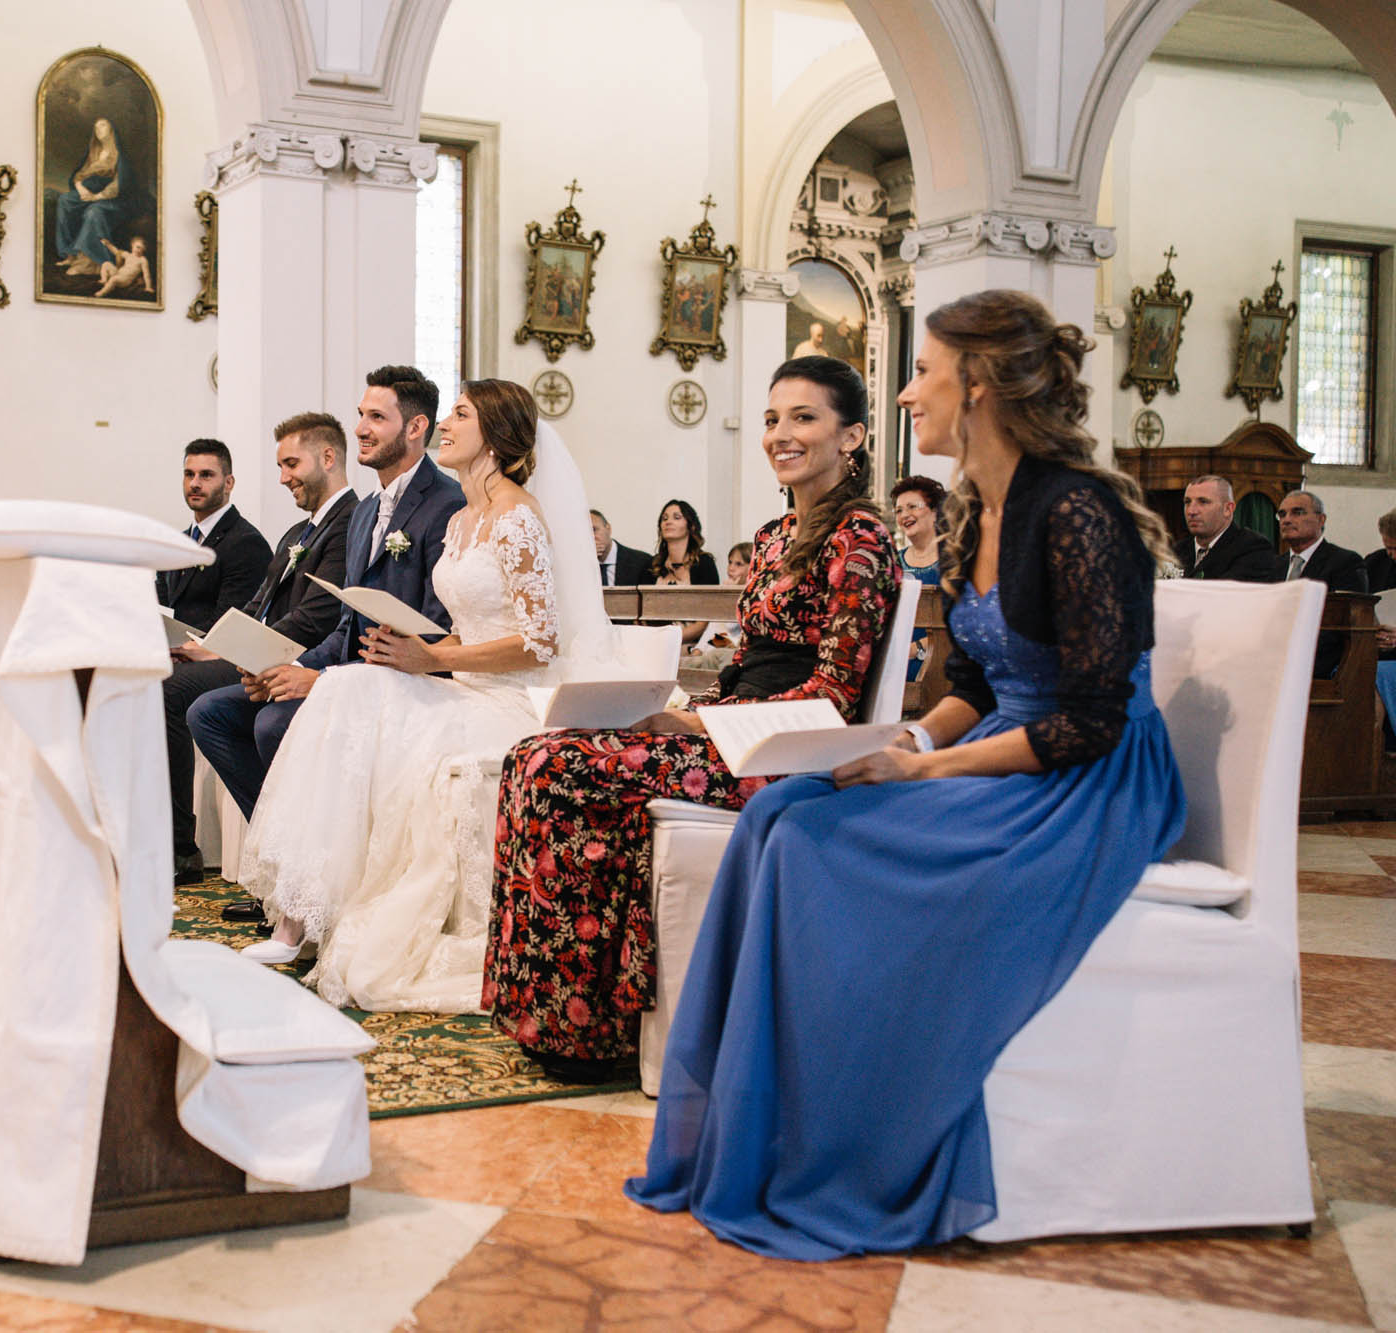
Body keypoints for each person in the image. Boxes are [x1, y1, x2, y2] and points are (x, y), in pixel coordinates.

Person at [627, 289, 1185, 1260]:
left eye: (920, 372)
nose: (903, 397)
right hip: (995, 751)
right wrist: (911, 749)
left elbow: (1087, 720)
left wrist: (926, 773)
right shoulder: (977, 508)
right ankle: (754, 1128)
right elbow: (969, 682)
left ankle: (840, 1141)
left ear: (974, 385)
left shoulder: (1075, 509)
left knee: (807, 841)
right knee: (780, 813)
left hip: (1084, 780)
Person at [485, 357, 900, 1082]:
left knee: (560, 768)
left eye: (804, 418)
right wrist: (687, 710)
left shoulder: (859, 539)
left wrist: (701, 726)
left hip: (785, 752)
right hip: (734, 725)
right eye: (773, 418)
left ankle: (583, 1027)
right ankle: (551, 1012)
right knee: (532, 751)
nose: (780, 433)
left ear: (853, 436)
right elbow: (751, 661)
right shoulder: (775, 534)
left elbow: (833, 696)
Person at [234, 379, 620, 1017]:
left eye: (461, 416)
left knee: (354, 695)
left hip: (509, 702)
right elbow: (470, 623)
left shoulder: (519, 516)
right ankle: (300, 916)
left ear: (494, 436)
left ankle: (310, 921)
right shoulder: (466, 518)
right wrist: (412, 650)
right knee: (347, 685)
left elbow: (540, 641)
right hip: (459, 682)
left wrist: (433, 659)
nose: (446, 425)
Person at [188, 366, 461, 834]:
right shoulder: (367, 513)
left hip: (407, 679)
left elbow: (434, 630)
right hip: (349, 672)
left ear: (416, 428)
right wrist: (286, 672)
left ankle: (307, 849)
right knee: (210, 712)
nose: (360, 428)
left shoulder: (447, 504)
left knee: (273, 723)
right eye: (360, 415)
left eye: (376, 416)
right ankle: (279, 847)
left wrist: (321, 680)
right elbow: (343, 628)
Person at [167, 414, 357, 890]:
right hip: (261, 658)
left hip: (308, 661)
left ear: (328, 458)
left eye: (291, 464)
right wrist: (219, 646)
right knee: (204, 711)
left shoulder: (351, 521)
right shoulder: (296, 534)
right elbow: (256, 606)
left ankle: (285, 853)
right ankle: (276, 848)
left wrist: (242, 656)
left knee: (207, 706)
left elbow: (317, 616)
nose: (282, 477)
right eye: (280, 465)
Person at [155, 439, 272, 636]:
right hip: (171, 651)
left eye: (206, 475)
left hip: (214, 658)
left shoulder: (247, 543)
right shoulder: (175, 543)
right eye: (189, 474)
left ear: (229, 483)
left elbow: (228, 627)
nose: (194, 483)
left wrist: (180, 649)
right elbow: (160, 607)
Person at [1280, 488, 1367, 678]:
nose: (1286, 520)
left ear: (1321, 520)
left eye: (1297, 512)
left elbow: (1344, 628)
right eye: (1282, 514)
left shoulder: (1345, 563)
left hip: (1318, 666)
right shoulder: (1273, 566)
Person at [47, 116, 143, 277]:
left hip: (112, 197)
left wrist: (97, 197)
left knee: (93, 212)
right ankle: (70, 254)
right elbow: (79, 175)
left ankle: (88, 262)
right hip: (88, 190)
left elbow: (119, 184)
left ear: (111, 129)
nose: (99, 130)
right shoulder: (94, 151)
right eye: (96, 127)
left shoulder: (118, 153)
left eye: (103, 126)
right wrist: (80, 188)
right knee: (64, 200)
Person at [891, 474, 946, 680]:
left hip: (941, 671)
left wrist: (916, 650)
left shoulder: (953, 561)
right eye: (898, 510)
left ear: (935, 512)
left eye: (913, 506)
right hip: (895, 670)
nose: (905, 514)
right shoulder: (893, 562)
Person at [1179, 475, 1281, 581]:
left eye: (1203, 502)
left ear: (1228, 509)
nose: (1191, 511)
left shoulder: (1253, 548)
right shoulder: (1176, 551)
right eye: (1187, 502)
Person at [650, 498, 719, 646]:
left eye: (677, 517)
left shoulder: (704, 563)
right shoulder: (653, 565)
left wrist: (671, 641)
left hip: (692, 644)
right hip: (655, 641)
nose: (668, 522)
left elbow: (706, 620)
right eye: (664, 518)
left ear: (691, 526)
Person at [685, 540, 754, 669]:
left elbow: (730, 631)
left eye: (739, 564)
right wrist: (698, 650)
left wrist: (730, 598)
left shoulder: (753, 596)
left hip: (735, 649)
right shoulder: (725, 588)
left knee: (713, 653)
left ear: (752, 567)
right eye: (730, 562)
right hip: (718, 643)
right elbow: (713, 627)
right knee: (687, 662)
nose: (731, 568)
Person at [1366, 509, 1396, 751]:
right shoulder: (1376, 563)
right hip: (1376, 650)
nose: (1391, 555)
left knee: (1377, 674)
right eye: (1387, 547)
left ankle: (1377, 756)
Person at [592, 508, 652, 586]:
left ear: (608, 528)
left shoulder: (641, 562)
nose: (591, 537)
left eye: (594, 529)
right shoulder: (578, 566)